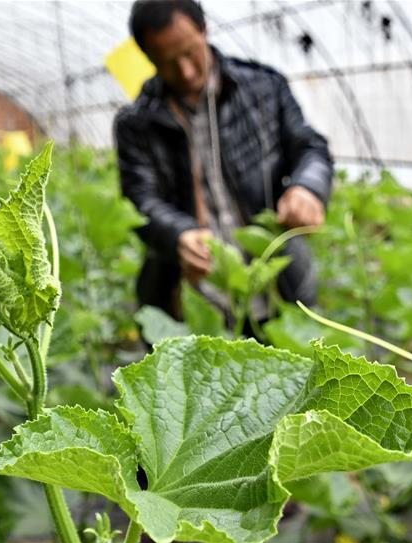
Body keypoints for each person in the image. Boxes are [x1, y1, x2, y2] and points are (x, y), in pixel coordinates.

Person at [114, 0, 334, 321]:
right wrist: (177, 234)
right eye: (167, 62)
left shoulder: (263, 89)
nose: (186, 72)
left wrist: (308, 187)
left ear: (204, 30)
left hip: (274, 283)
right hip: (193, 298)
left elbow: (310, 147)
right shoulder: (137, 124)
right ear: (148, 58)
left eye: (190, 52)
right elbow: (140, 199)